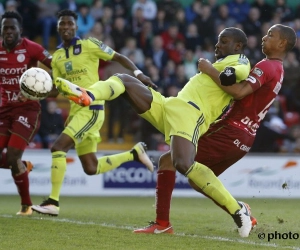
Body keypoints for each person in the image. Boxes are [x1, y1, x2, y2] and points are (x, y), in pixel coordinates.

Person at [52, 27, 254, 237]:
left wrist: (208, 68)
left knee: (182, 163)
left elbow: (231, 77)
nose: (217, 45)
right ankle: (89, 95)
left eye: (224, 41)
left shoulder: (240, 61)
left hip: (191, 114)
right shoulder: (221, 61)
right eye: (219, 41)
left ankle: (238, 210)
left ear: (237, 46)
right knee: (123, 80)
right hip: (170, 105)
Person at [133, 24, 297, 234]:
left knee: (172, 161)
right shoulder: (279, 69)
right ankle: (240, 212)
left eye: (271, 35)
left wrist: (209, 69)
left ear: (282, 43)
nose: (265, 38)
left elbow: (239, 92)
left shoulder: (266, 66)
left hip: (230, 130)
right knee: (196, 179)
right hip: (244, 138)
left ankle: (165, 224)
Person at [31, 9, 155, 216]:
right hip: (76, 111)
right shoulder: (58, 57)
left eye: (70, 23)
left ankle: (52, 202)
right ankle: (134, 153)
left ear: (76, 27)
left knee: (58, 147)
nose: (66, 27)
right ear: (58, 27)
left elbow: (119, 57)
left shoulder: (89, 45)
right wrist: (37, 92)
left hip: (92, 108)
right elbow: (57, 89)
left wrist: (138, 73)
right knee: (91, 167)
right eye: (62, 24)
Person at [0, 11, 52, 215]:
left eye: (12, 28)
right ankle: (23, 166)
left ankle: (26, 206)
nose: (9, 31)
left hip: (28, 110)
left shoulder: (32, 48)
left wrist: (46, 90)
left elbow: (54, 66)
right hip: (5, 110)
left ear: (20, 30)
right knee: (14, 161)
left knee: (13, 155)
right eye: (5, 27)